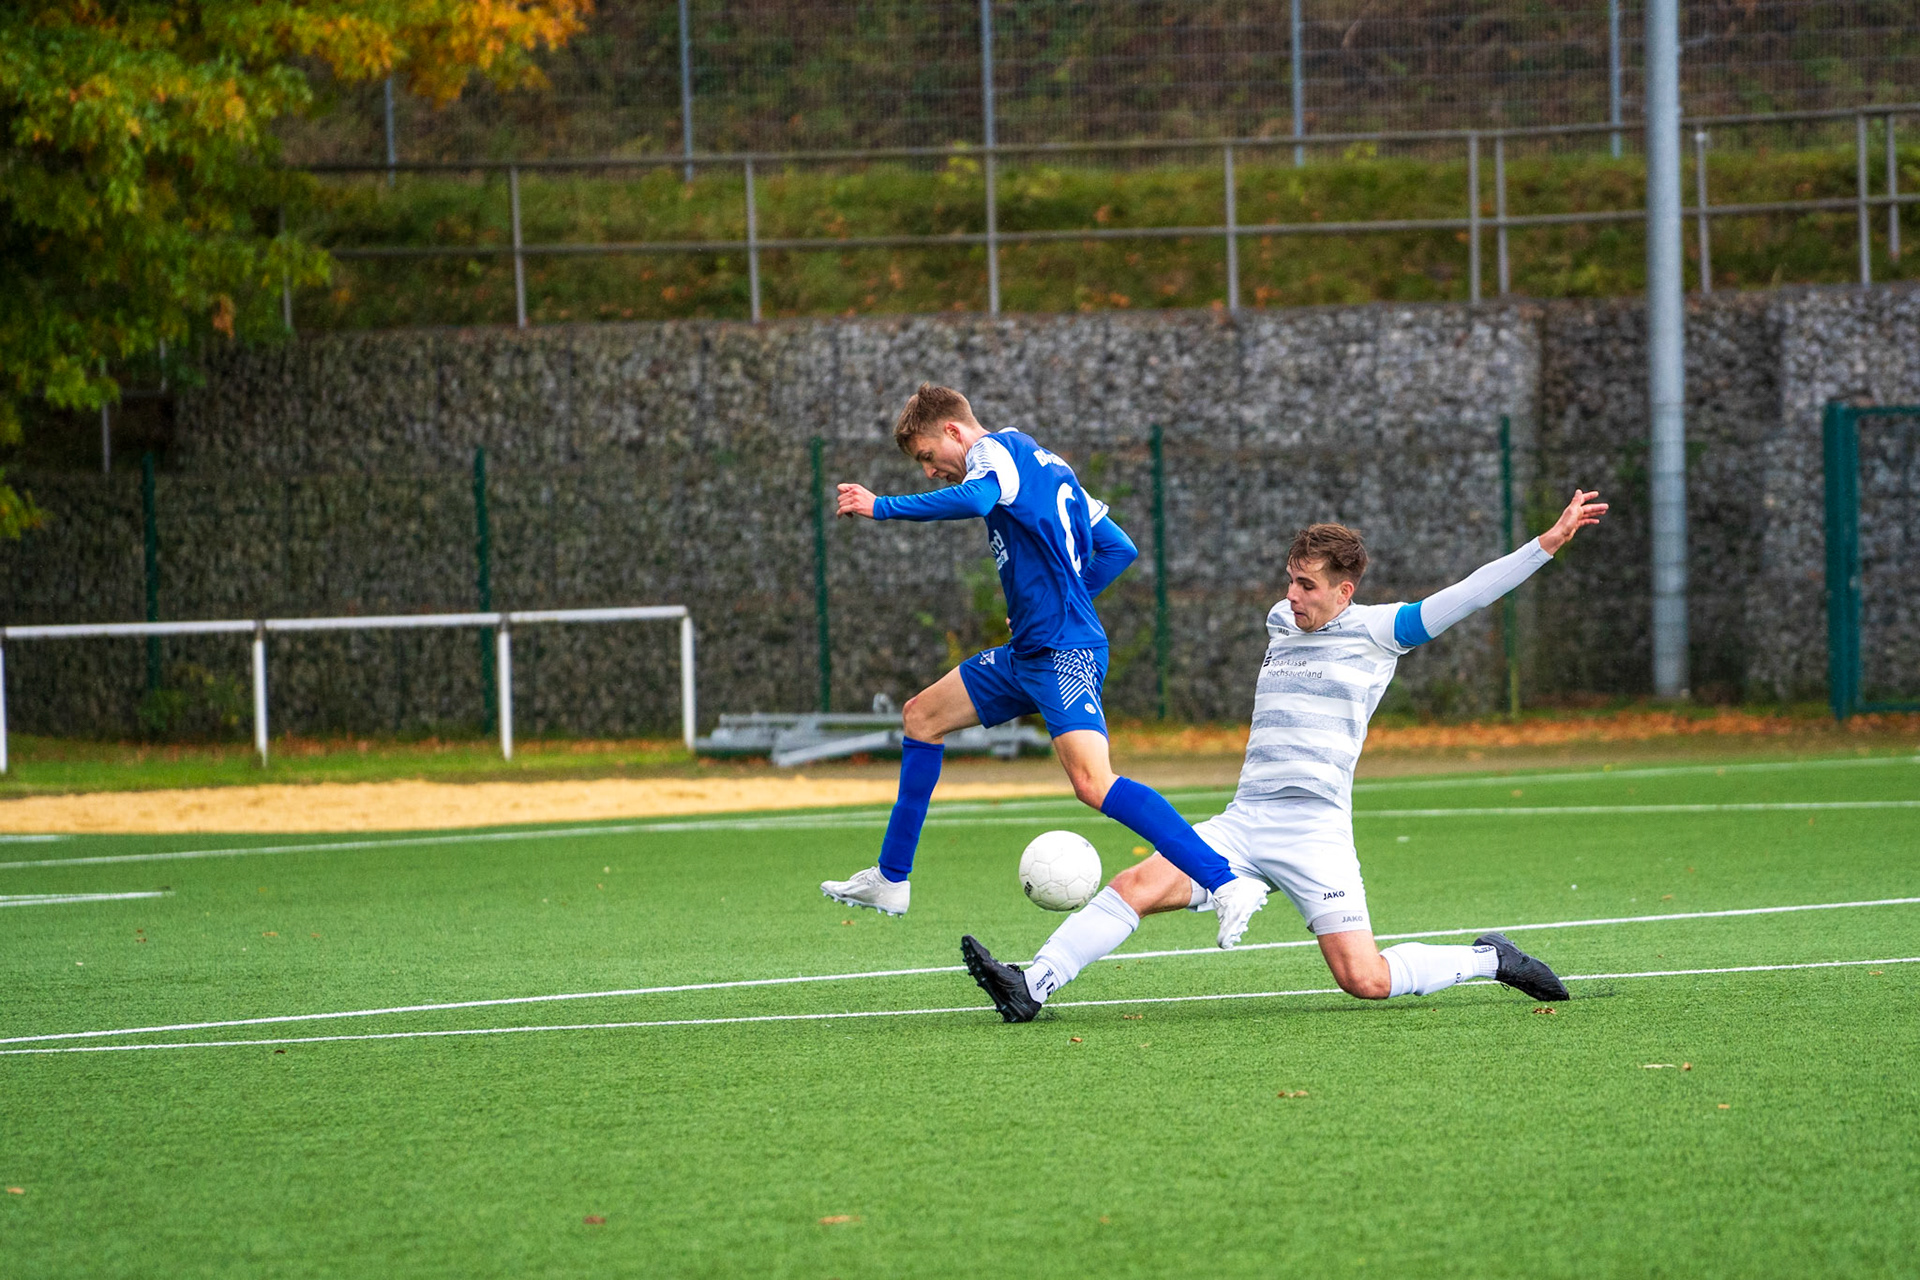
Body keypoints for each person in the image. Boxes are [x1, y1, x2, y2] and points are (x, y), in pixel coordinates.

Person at [960, 488, 1610, 1021]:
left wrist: (1546, 544)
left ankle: (1490, 958)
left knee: (1366, 980)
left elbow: (1470, 593)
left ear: (1344, 592)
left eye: (1307, 585)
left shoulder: (1382, 632)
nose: (1292, 596)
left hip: (1314, 833)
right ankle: (1032, 984)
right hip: (1245, 820)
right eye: (1290, 581)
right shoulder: (1282, 620)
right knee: (1135, 885)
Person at [819, 384, 1271, 947]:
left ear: (954, 431)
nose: (931, 472)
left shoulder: (993, 453)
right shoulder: (1046, 463)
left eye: (928, 456)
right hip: (1029, 650)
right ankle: (891, 878)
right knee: (921, 716)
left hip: (1064, 651)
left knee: (1093, 783)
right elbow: (1119, 547)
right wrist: (1063, 596)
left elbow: (977, 500)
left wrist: (881, 506)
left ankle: (1225, 882)